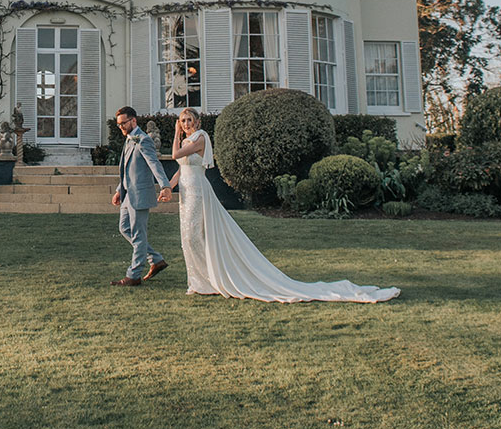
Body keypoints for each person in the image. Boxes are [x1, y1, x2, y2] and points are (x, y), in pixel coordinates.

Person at [169, 107, 400, 303]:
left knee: (193, 235)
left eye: (189, 120)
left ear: (197, 121)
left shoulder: (200, 137)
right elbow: (181, 167)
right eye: (183, 121)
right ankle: (199, 281)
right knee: (188, 237)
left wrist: (176, 134)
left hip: (198, 192)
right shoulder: (190, 139)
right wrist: (168, 187)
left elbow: (175, 154)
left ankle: (208, 280)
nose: (186, 123)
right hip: (186, 191)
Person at [110, 106, 173, 287]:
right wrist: (118, 190)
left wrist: (165, 186)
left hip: (140, 194)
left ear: (134, 121)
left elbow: (154, 164)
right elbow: (127, 169)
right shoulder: (130, 139)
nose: (121, 127)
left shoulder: (143, 140)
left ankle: (134, 275)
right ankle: (156, 259)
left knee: (138, 235)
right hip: (127, 193)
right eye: (119, 125)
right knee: (124, 228)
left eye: (124, 123)